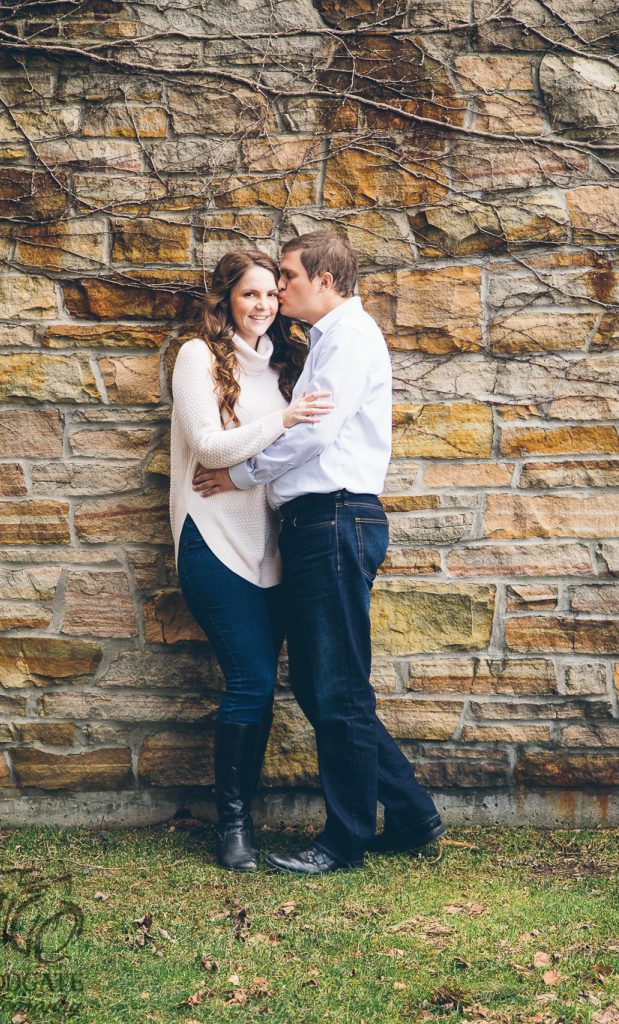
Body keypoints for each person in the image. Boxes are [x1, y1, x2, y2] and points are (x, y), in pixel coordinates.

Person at [192, 230, 446, 875]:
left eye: (288, 276)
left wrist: (241, 477)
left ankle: (344, 840)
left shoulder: (350, 339)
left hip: (332, 518)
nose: (279, 288)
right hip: (317, 524)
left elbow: (315, 433)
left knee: (336, 687)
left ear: (324, 281)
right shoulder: (325, 342)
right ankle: (411, 810)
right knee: (317, 682)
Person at [169, 248, 333, 872]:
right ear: (225, 301)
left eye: (271, 294)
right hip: (211, 539)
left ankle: (248, 818)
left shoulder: (291, 365)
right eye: (249, 295)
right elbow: (210, 447)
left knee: (269, 687)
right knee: (252, 681)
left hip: (276, 549)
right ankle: (233, 828)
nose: (262, 305)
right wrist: (285, 421)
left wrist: (281, 423)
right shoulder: (197, 357)